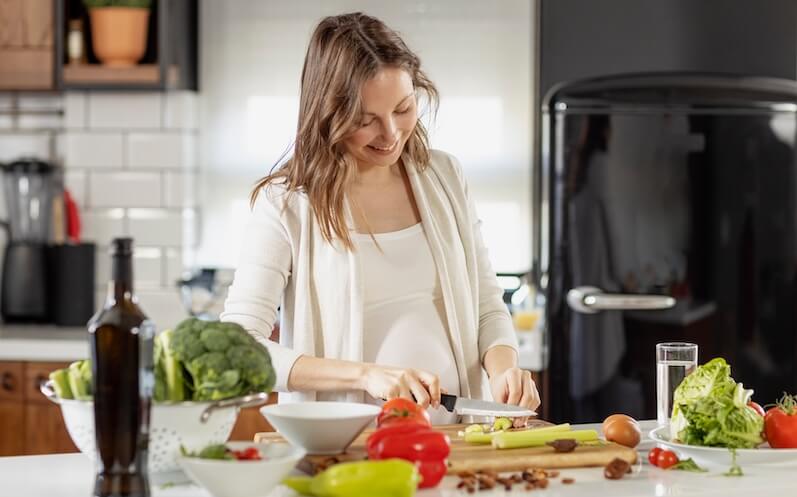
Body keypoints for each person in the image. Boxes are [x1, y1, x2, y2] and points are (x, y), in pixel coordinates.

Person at [221, 12, 540, 424]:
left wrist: (504, 370)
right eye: (365, 120)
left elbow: (485, 305)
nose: (390, 134)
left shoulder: (444, 176)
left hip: (456, 442)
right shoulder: (286, 204)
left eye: (403, 109)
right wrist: (366, 375)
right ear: (328, 113)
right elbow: (238, 346)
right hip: (344, 447)